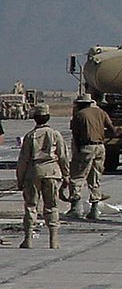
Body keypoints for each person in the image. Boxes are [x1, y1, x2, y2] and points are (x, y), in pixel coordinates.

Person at [16, 104, 70, 249]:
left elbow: (23, 160)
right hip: (52, 172)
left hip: (33, 172)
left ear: (35, 118)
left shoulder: (29, 136)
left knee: (30, 206)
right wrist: (66, 175)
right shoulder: (55, 134)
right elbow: (63, 156)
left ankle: (28, 238)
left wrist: (20, 179)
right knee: (52, 206)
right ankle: (54, 239)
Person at [66, 93, 120, 220]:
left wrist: (78, 151)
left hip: (86, 147)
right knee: (95, 177)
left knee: (77, 177)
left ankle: (75, 207)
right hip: (100, 147)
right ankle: (95, 208)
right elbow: (112, 129)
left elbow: (76, 135)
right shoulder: (101, 112)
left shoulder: (79, 115)